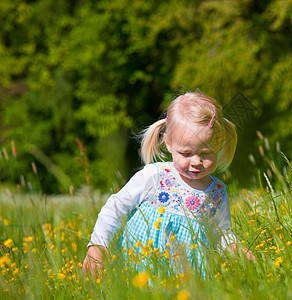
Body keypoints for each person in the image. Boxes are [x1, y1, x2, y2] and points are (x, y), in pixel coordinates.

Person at [83, 92, 254, 277]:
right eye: (186, 154)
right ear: (169, 143)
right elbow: (116, 207)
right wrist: (98, 244)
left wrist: (235, 248)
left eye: (206, 153)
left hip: (187, 279)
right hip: (138, 270)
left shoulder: (218, 193)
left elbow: (220, 234)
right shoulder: (155, 176)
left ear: (219, 146)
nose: (196, 161)